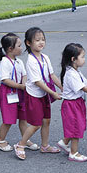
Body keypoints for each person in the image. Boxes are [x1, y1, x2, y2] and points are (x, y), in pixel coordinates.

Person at [14, 27, 63, 160]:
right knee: (36, 124)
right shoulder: (31, 61)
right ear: (28, 43)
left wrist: (61, 86)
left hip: (44, 94)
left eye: (43, 39)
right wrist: (53, 93)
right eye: (37, 40)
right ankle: (20, 145)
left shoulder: (45, 57)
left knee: (46, 120)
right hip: (35, 95)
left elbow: (51, 75)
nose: (41, 42)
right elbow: (38, 82)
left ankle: (45, 146)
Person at [57, 43, 87, 162]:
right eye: (82, 57)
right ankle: (73, 153)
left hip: (77, 103)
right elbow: (83, 88)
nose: (84, 59)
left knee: (76, 125)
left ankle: (64, 142)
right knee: (76, 127)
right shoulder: (71, 74)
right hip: (72, 105)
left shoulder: (76, 71)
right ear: (73, 59)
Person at [0, 33, 31, 152]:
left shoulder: (19, 61)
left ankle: (25, 139)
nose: (22, 48)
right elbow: (5, 80)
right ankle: (0, 140)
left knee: (23, 117)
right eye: (19, 46)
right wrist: (20, 86)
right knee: (8, 119)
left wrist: (24, 84)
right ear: (10, 49)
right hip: (9, 92)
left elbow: (24, 74)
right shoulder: (5, 62)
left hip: (20, 91)